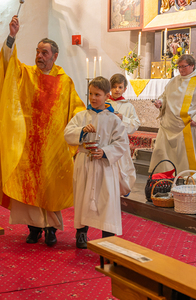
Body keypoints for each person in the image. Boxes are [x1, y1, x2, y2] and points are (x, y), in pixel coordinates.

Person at [0, 15, 85, 246]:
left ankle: (51, 230)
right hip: (28, 143)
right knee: (29, 187)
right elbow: (9, 64)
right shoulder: (27, 75)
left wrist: (91, 122)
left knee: (50, 188)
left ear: (55, 56)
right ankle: (34, 228)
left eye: (44, 53)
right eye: (37, 52)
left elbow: (77, 110)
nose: (39, 56)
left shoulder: (65, 82)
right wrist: (12, 36)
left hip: (54, 146)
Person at [64, 76, 136, 249]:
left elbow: (122, 143)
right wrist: (81, 131)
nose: (93, 98)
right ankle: (81, 233)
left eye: (97, 94)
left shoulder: (113, 120)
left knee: (107, 199)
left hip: (105, 166)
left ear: (107, 95)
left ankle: (108, 237)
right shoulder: (81, 116)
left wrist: (105, 152)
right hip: (85, 163)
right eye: (90, 94)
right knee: (82, 197)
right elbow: (67, 133)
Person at [149, 54, 196, 174]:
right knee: (165, 156)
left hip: (189, 127)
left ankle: (186, 180)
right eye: (179, 67)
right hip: (169, 126)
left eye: (184, 66)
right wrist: (160, 102)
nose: (181, 70)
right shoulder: (174, 81)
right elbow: (165, 96)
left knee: (185, 160)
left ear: (192, 65)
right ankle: (165, 179)